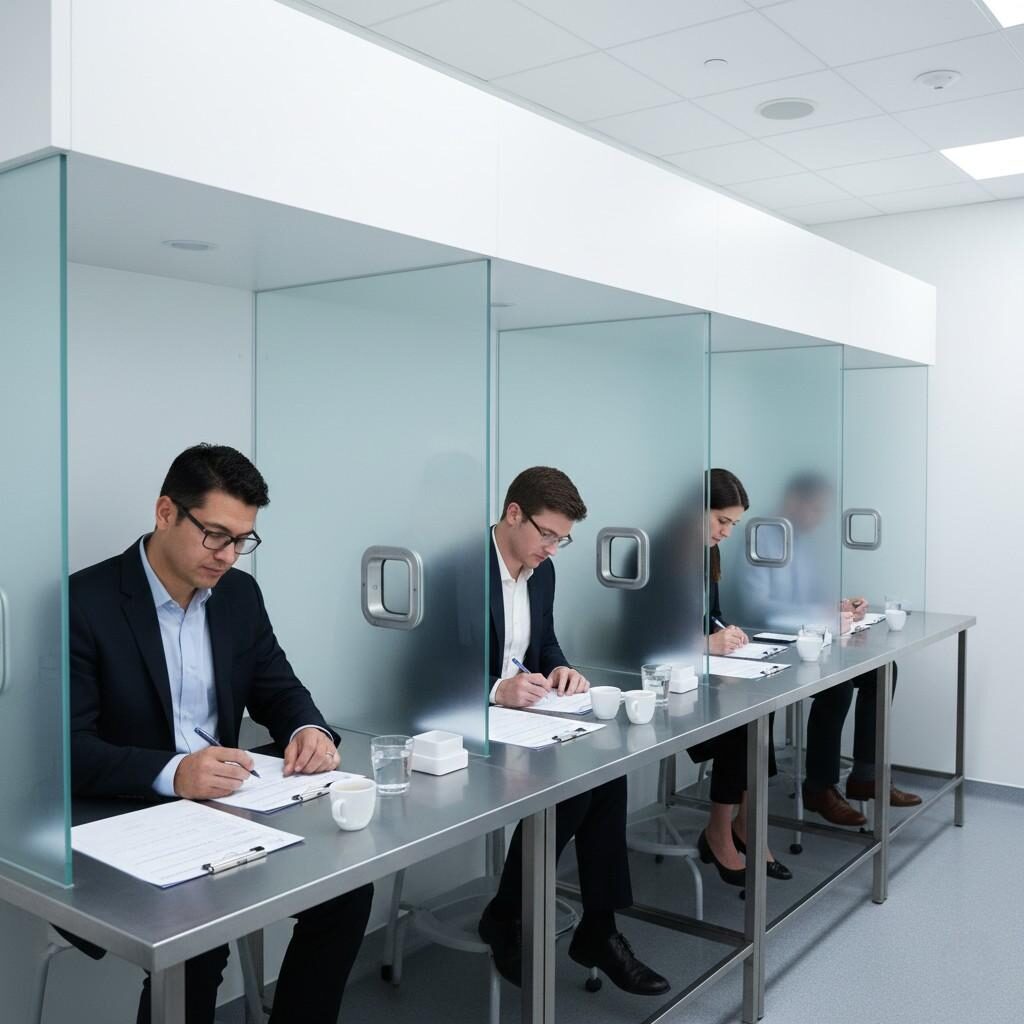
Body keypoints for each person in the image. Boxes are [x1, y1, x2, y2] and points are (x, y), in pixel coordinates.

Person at [69, 444, 372, 1024]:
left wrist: (307, 729)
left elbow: (278, 687)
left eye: (242, 540)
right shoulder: (86, 602)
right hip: (127, 813)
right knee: (198, 940)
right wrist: (174, 773)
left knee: (346, 892)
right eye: (215, 535)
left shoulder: (238, 595)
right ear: (165, 513)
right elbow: (67, 750)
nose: (229, 555)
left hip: (227, 807)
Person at [477, 467, 669, 996]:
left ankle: (598, 926)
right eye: (548, 535)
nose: (554, 549)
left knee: (605, 769)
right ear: (514, 514)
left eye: (563, 540)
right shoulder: (461, 570)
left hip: (527, 722)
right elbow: (422, 673)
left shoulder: (542, 572)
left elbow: (545, 645)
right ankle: (512, 914)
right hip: (468, 728)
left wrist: (564, 669)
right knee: (574, 790)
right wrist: (496, 689)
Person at [738, 473, 921, 826]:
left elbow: (806, 599)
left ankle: (867, 775)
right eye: (816, 507)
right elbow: (757, 610)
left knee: (882, 670)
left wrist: (840, 605)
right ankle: (820, 787)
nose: (820, 516)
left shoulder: (801, 543)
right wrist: (819, 615)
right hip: (771, 645)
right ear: (794, 501)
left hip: (808, 638)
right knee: (835, 684)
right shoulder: (760, 538)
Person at [687, 469, 792, 887]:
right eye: (722, 521)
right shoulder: (651, 553)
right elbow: (640, 639)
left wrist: (727, 632)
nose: (727, 533)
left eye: (733, 524)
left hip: (708, 673)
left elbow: (711, 616)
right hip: (670, 684)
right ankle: (720, 829)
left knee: (757, 705)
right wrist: (703, 643)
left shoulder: (708, 551)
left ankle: (746, 823)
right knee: (742, 716)